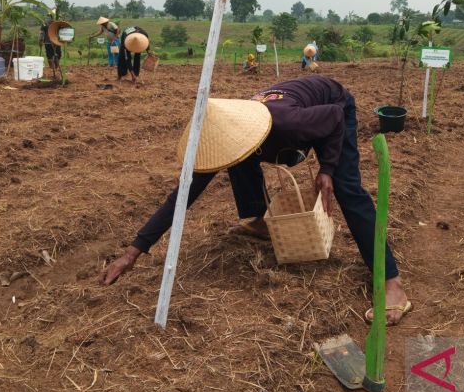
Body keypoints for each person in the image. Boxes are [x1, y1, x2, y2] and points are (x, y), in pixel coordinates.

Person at [100, 76, 412, 325]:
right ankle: (261, 223)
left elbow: (332, 117)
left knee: (346, 188)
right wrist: (133, 252)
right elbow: (181, 196)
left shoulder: (287, 123)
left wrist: (327, 169)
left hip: (331, 106)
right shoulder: (225, 137)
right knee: (240, 159)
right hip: (295, 118)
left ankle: (391, 280)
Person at [38, 12, 63, 77]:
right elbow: (42, 33)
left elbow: (62, 31)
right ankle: (53, 68)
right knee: (51, 55)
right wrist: (40, 40)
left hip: (56, 42)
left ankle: (55, 68)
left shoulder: (58, 23)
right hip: (49, 42)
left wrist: (40, 41)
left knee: (56, 55)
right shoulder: (45, 24)